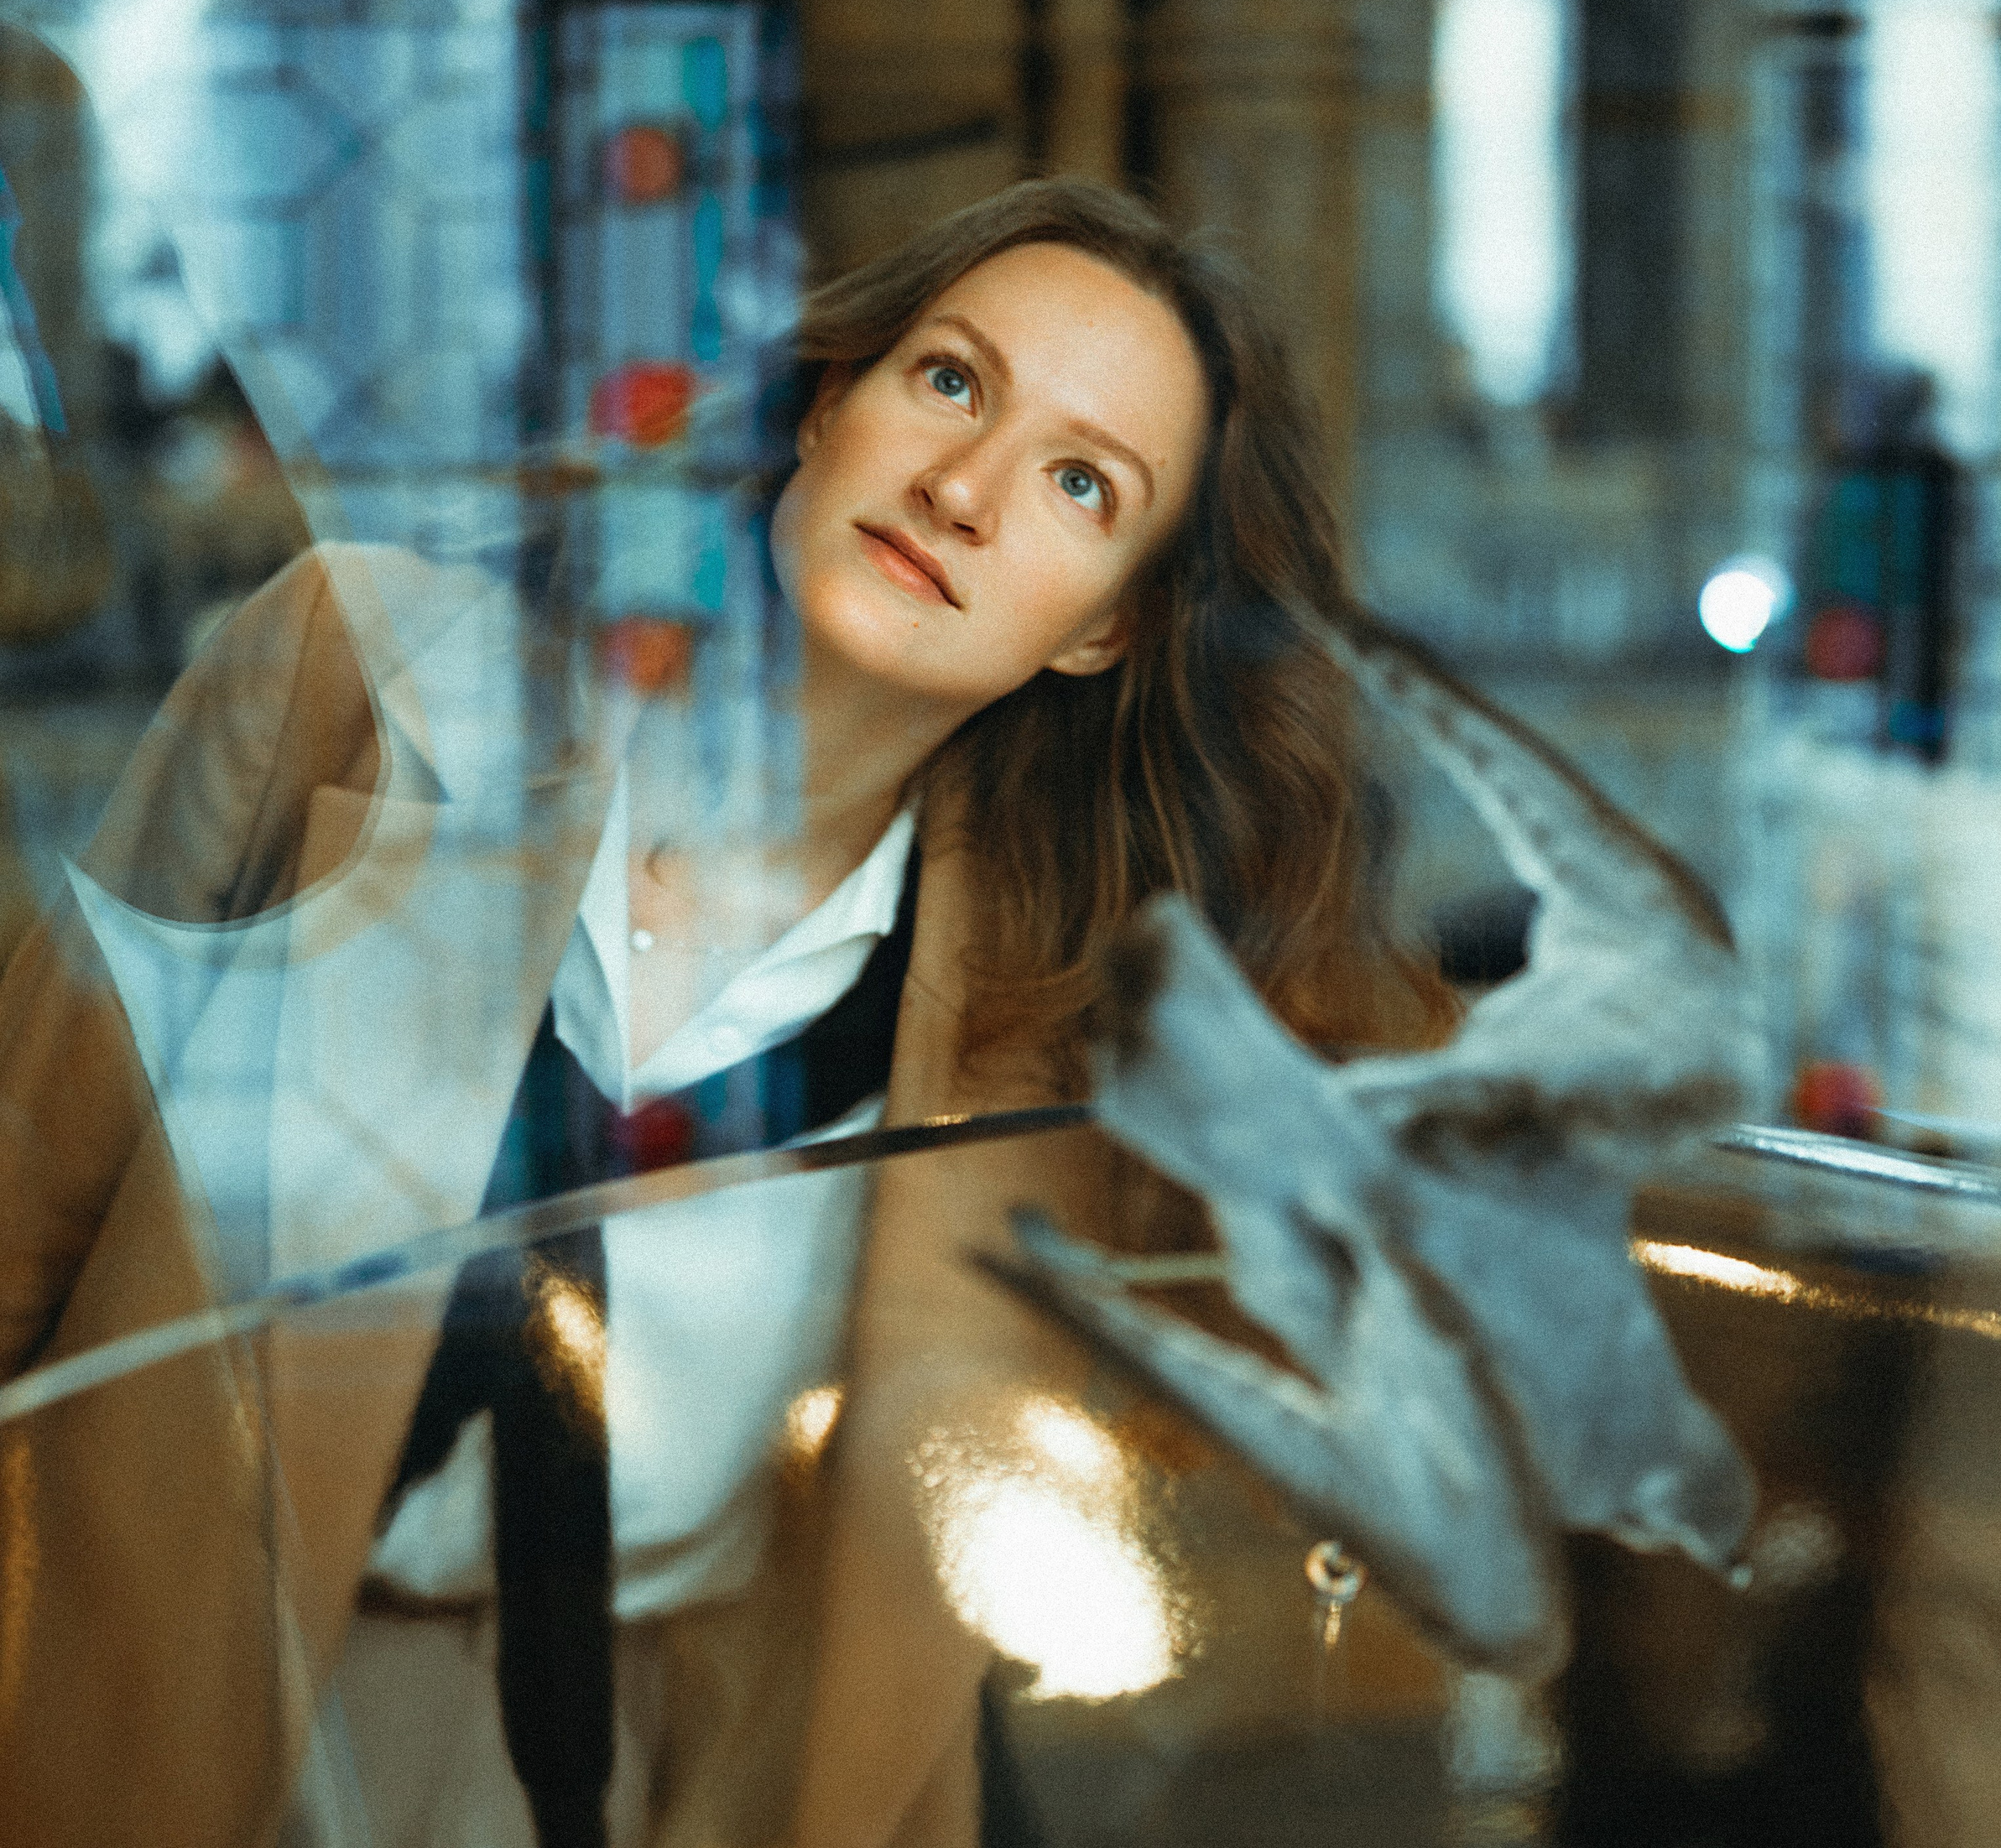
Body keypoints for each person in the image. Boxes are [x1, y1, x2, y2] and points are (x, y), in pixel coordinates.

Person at [0, 174, 1587, 1848]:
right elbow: (22, 1199)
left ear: (1104, 623)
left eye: (1076, 481)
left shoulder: (1047, 1028)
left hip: (646, 1771)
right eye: (951, 380)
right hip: (145, 1706)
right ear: (831, 400)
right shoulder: (360, 680)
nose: (962, 489)